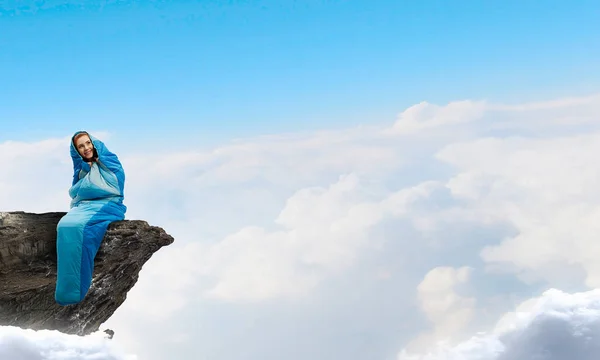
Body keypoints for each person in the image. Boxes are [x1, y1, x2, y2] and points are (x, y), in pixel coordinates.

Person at [54, 131, 127, 305]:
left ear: (94, 144)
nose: (86, 148)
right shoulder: (82, 167)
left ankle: (74, 292)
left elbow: (116, 183)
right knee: (64, 225)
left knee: (79, 229)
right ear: (77, 151)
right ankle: (66, 290)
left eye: (88, 143)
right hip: (85, 206)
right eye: (81, 146)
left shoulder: (109, 160)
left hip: (108, 204)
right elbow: (77, 188)